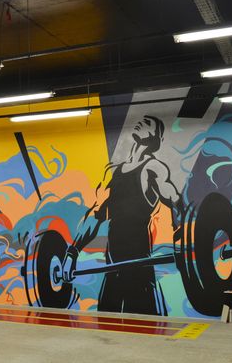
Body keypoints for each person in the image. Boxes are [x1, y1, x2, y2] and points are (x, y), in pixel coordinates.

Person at [63, 115, 181, 315]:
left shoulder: (153, 168)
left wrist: (181, 238)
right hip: (112, 266)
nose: (142, 121)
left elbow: (175, 200)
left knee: (144, 330)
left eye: (149, 123)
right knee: (106, 325)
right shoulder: (114, 172)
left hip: (139, 268)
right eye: (142, 120)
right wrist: (72, 252)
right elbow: (95, 215)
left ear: (155, 137)